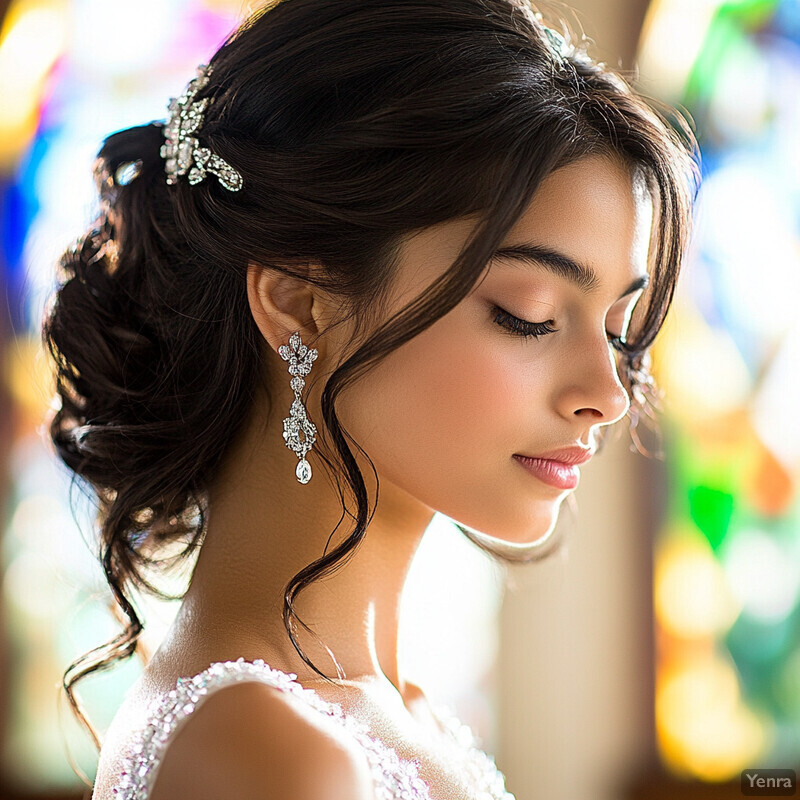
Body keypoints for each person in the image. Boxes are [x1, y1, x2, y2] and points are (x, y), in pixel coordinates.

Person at [40, 0, 700, 797]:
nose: (608, 395)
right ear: (298, 301)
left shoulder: (397, 714)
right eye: (529, 315)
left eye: (621, 329)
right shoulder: (274, 760)